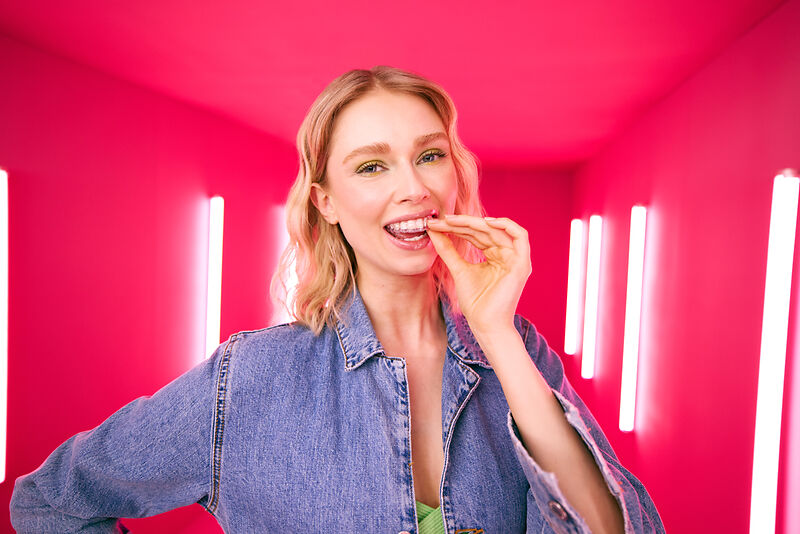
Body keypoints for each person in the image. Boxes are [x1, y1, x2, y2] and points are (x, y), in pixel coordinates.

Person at [10, 65, 664, 533]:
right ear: (326, 201)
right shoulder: (253, 378)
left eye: (429, 156)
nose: (413, 187)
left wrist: (496, 333)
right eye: (373, 166)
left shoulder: (518, 357)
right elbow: (49, 504)